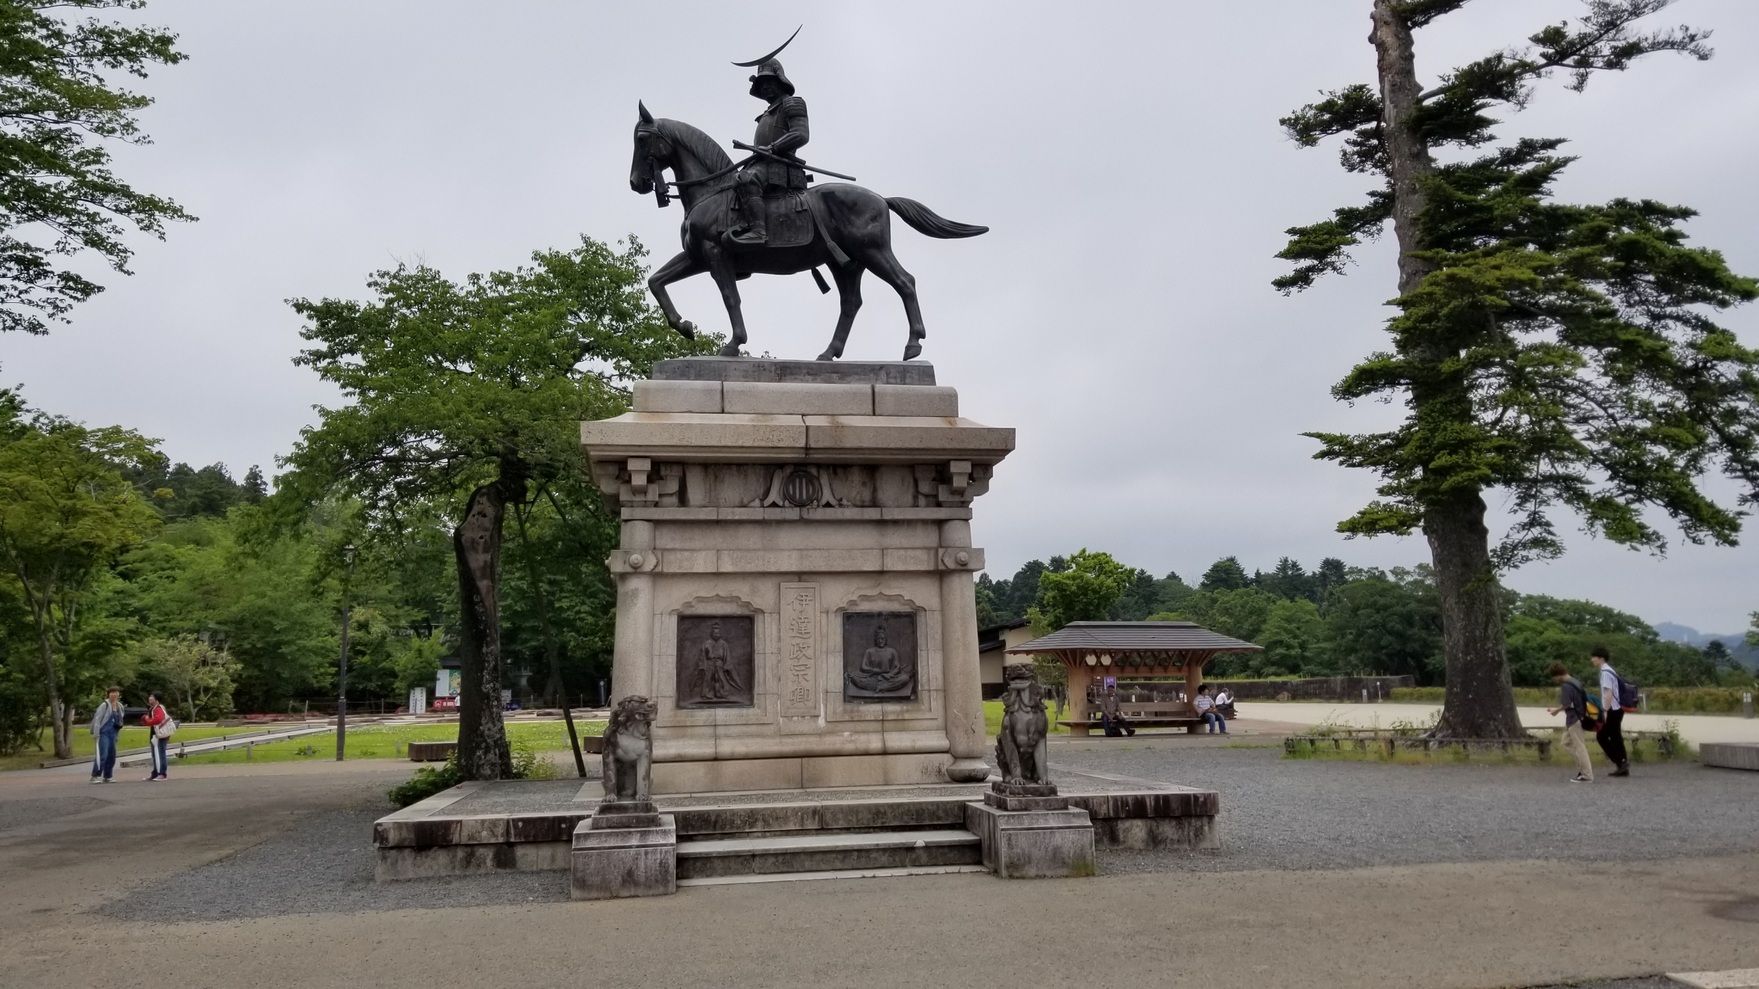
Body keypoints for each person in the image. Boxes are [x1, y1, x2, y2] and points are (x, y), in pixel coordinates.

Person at [729, 57, 810, 246]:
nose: (764, 87)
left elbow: (800, 134)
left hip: (780, 165)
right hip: (762, 163)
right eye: (761, 84)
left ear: (779, 81)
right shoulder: (766, 114)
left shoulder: (792, 103)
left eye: (768, 82)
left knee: (747, 179)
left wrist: (773, 148)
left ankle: (758, 231)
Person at [1544, 662, 1594, 783]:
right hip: (1579, 717)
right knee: (1566, 742)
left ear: (1558, 675)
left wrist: (1556, 710)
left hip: (1574, 719)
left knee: (1580, 747)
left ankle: (1587, 775)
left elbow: (1566, 703)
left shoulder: (1566, 686)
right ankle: (1582, 769)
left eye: (1554, 677)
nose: (1555, 680)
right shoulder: (1576, 682)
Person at [1590, 646, 1630, 778]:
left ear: (1601, 658)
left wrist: (1605, 710)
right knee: (1615, 736)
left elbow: (1608, 692)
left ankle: (1620, 762)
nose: (1592, 660)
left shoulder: (1606, 672)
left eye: (1594, 657)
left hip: (1612, 709)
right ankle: (1622, 764)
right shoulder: (1610, 670)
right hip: (1617, 709)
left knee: (1601, 736)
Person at [88, 686, 124, 783]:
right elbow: (97, 720)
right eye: (112, 692)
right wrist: (96, 734)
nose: (114, 694)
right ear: (108, 694)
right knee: (103, 754)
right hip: (103, 732)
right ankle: (95, 776)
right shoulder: (104, 705)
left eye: (116, 692)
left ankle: (108, 776)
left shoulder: (120, 706)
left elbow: (120, 720)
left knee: (112, 755)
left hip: (114, 733)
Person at [140, 692, 170, 782]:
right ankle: (156, 773)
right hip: (155, 734)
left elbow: (158, 719)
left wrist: (147, 720)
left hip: (160, 734)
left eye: (152, 697)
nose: (150, 698)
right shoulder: (152, 708)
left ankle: (162, 774)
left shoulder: (158, 708)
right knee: (155, 754)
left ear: (156, 699)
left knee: (160, 754)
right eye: (150, 696)